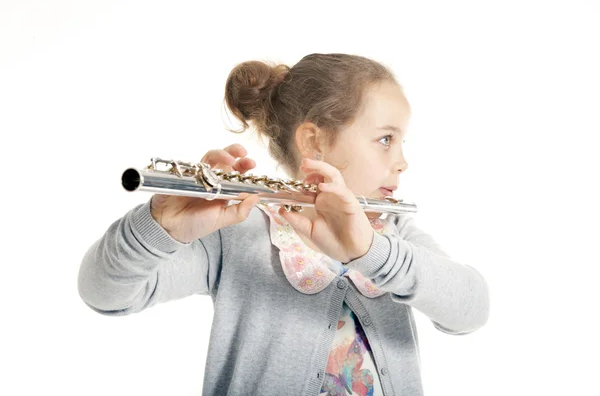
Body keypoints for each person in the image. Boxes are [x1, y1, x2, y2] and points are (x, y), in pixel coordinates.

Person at [78, 53, 490, 396]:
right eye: (385, 139)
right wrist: (157, 228)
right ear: (314, 141)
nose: (401, 161)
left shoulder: (392, 236)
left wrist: (371, 251)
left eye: (402, 142)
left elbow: (471, 310)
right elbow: (106, 294)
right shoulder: (238, 232)